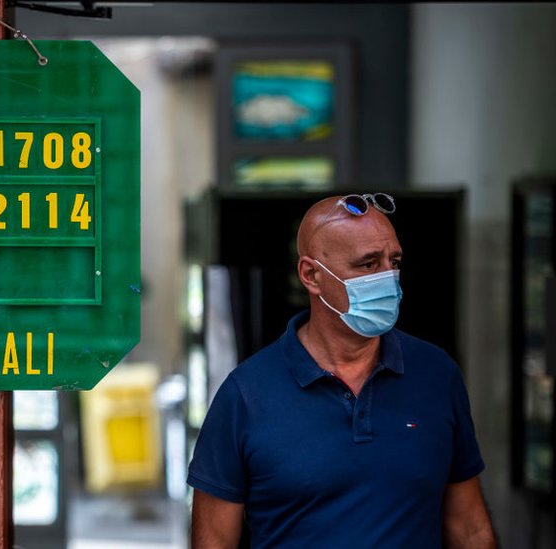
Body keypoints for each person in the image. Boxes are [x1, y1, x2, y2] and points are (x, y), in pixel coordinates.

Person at [187, 194, 496, 548]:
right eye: (368, 264)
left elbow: (469, 528)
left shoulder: (436, 374)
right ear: (311, 275)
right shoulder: (245, 395)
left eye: (393, 261)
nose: (388, 278)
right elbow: (213, 542)